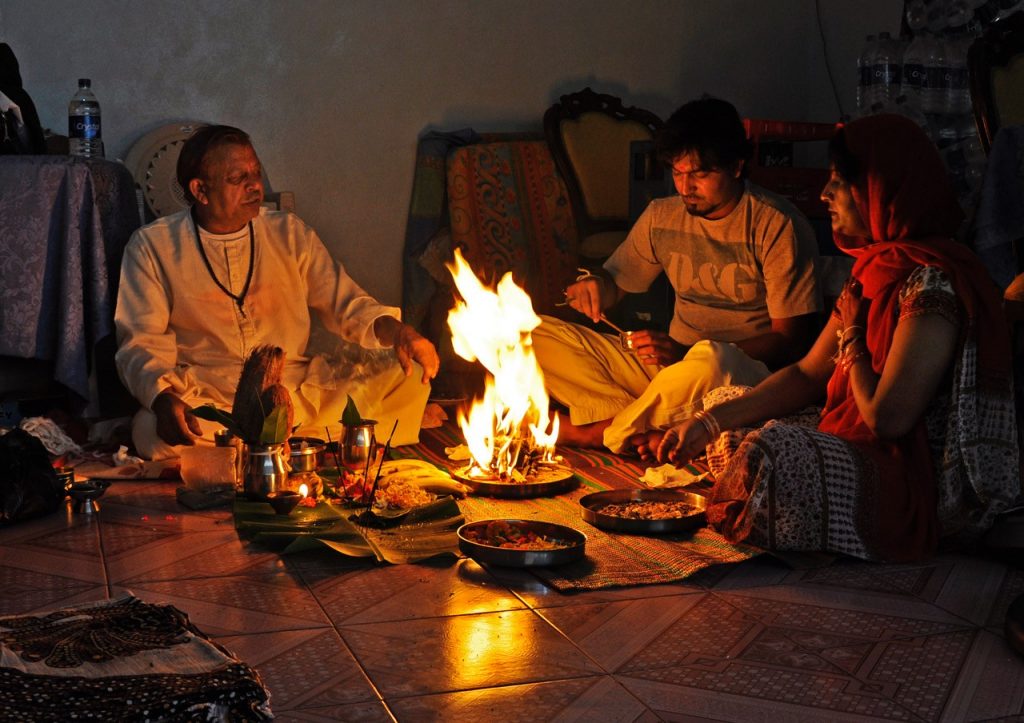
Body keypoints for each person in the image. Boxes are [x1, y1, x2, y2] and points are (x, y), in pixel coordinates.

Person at [646, 114, 1020, 562]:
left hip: (906, 476)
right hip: (849, 437)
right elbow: (808, 373)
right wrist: (707, 425)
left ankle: (780, 498)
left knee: (773, 450)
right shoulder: (872, 270)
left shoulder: (931, 282)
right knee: (724, 405)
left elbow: (888, 420)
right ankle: (768, 492)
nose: (826, 194)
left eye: (840, 182)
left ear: (881, 189)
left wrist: (855, 334)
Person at [115, 125, 440, 460]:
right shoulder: (152, 247)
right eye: (238, 178)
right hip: (211, 397)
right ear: (200, 189)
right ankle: (314, 440)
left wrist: (401, 332)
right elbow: (140, 342)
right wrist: (162, 397)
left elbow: (347, 304)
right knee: (152, 430)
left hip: (294, 392)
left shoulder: (288, 232)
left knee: (410, 374)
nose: (255, 186)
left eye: (256, 172)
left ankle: (249, 449)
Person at [532, 97, 822, 453]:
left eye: (700, 174)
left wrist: (687, 352)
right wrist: (596, 287)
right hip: (667, 371)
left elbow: (788, 341)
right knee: (529, 331)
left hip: (735, 378)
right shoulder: (662, 216)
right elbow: (615, 283)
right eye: (678, 172)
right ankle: (634, 419)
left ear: (736, 166)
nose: (685, 187)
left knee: (713, 358)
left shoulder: (777, 225)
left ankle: (601, 433)